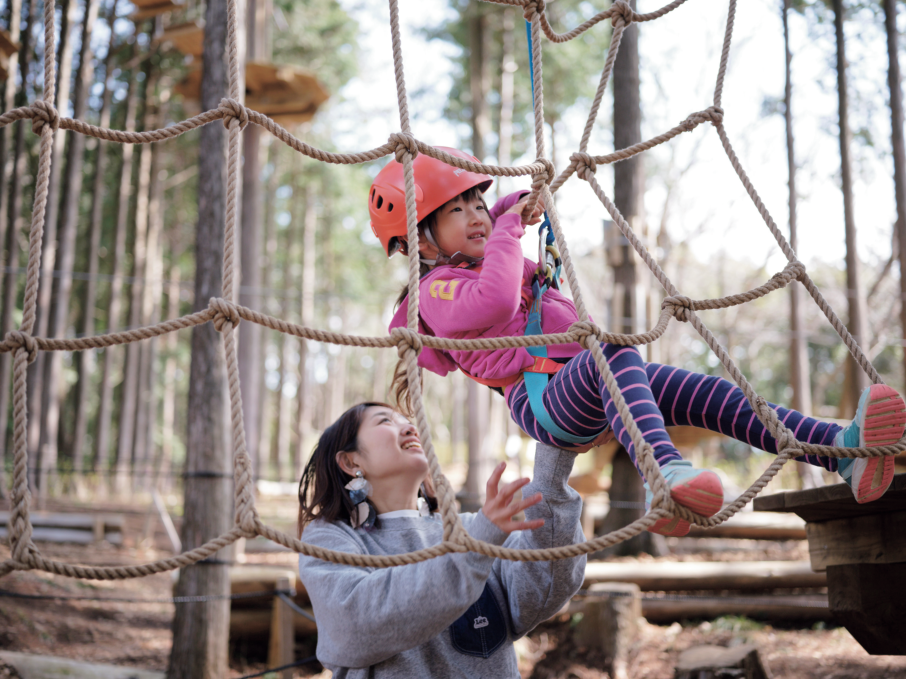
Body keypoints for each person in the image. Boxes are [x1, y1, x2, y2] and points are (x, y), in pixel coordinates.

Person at [371, 147, 906, 537]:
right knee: (613, 348)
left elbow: (505, 263)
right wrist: (510, 229)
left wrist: (514, 207)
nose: (477, 217)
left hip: (589, 385)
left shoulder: (490, 250)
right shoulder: (434, 291)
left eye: (478, 204)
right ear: (421, 239)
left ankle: (839, 450)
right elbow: (491, 301)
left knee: (710, 396)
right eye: (457, 210)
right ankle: (666, 474)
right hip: (547, 399)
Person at [297, 402, 586, 677]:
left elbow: (545, 590)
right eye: (385, 421)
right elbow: (356, 624)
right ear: (350, 461)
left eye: (408, 422)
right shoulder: (329, 539)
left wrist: (555, 450)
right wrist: (475, 547)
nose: (410, 428)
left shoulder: (472, 527)